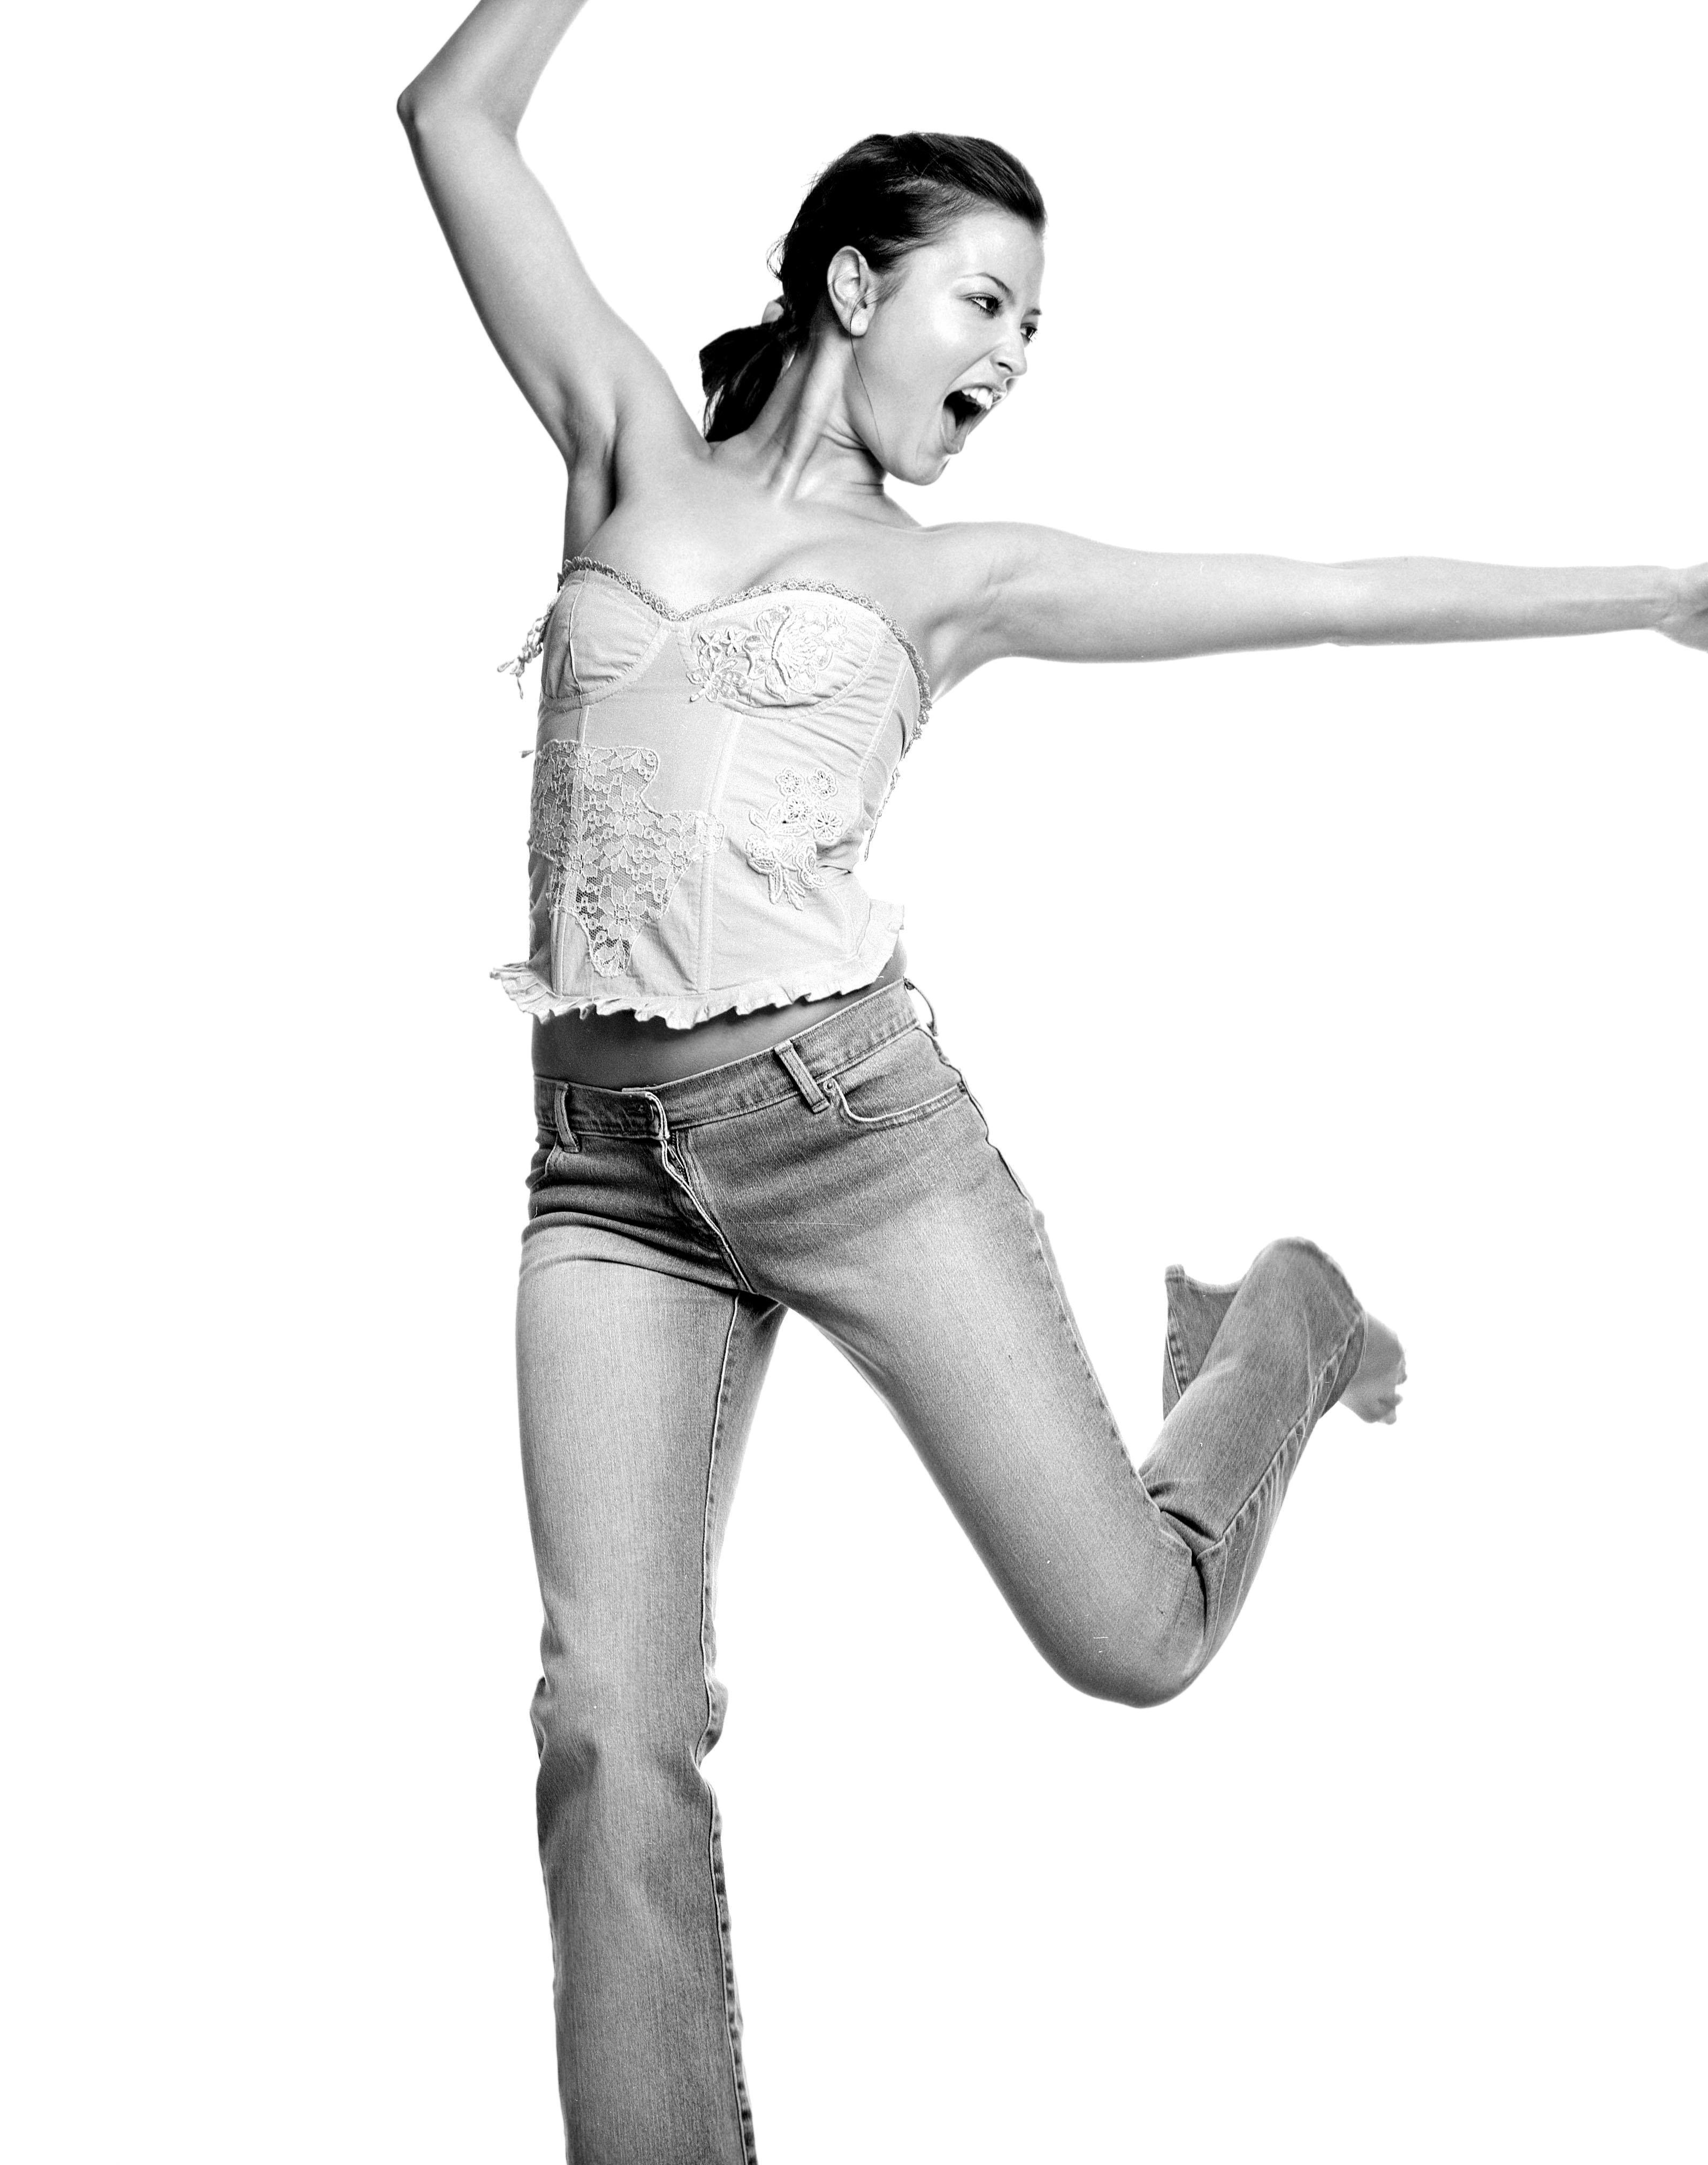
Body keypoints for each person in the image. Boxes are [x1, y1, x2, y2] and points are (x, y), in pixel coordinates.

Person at [398, 4, 1704, 2156]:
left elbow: (1333, 594)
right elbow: (455, 115)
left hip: (855, 1138)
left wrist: (1659, 589)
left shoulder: (958, 581)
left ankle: (1282, 1320)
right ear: (854, 282)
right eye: (986, 302)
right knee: (605, 1722)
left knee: (1138, 1636)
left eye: (1033, 327)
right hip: (605, 1179)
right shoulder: (623, 439)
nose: (1012, 353)